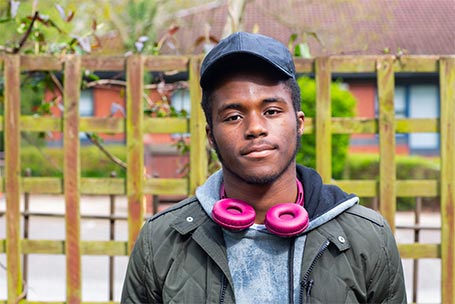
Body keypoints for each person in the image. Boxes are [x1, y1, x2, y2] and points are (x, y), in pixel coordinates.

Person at [121, 32, 407, 303]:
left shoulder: (369, 239)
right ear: (210, 136)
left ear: (299, 123)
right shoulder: (160, 241)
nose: (255, 128)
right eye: (233, 116)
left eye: (271, 111)